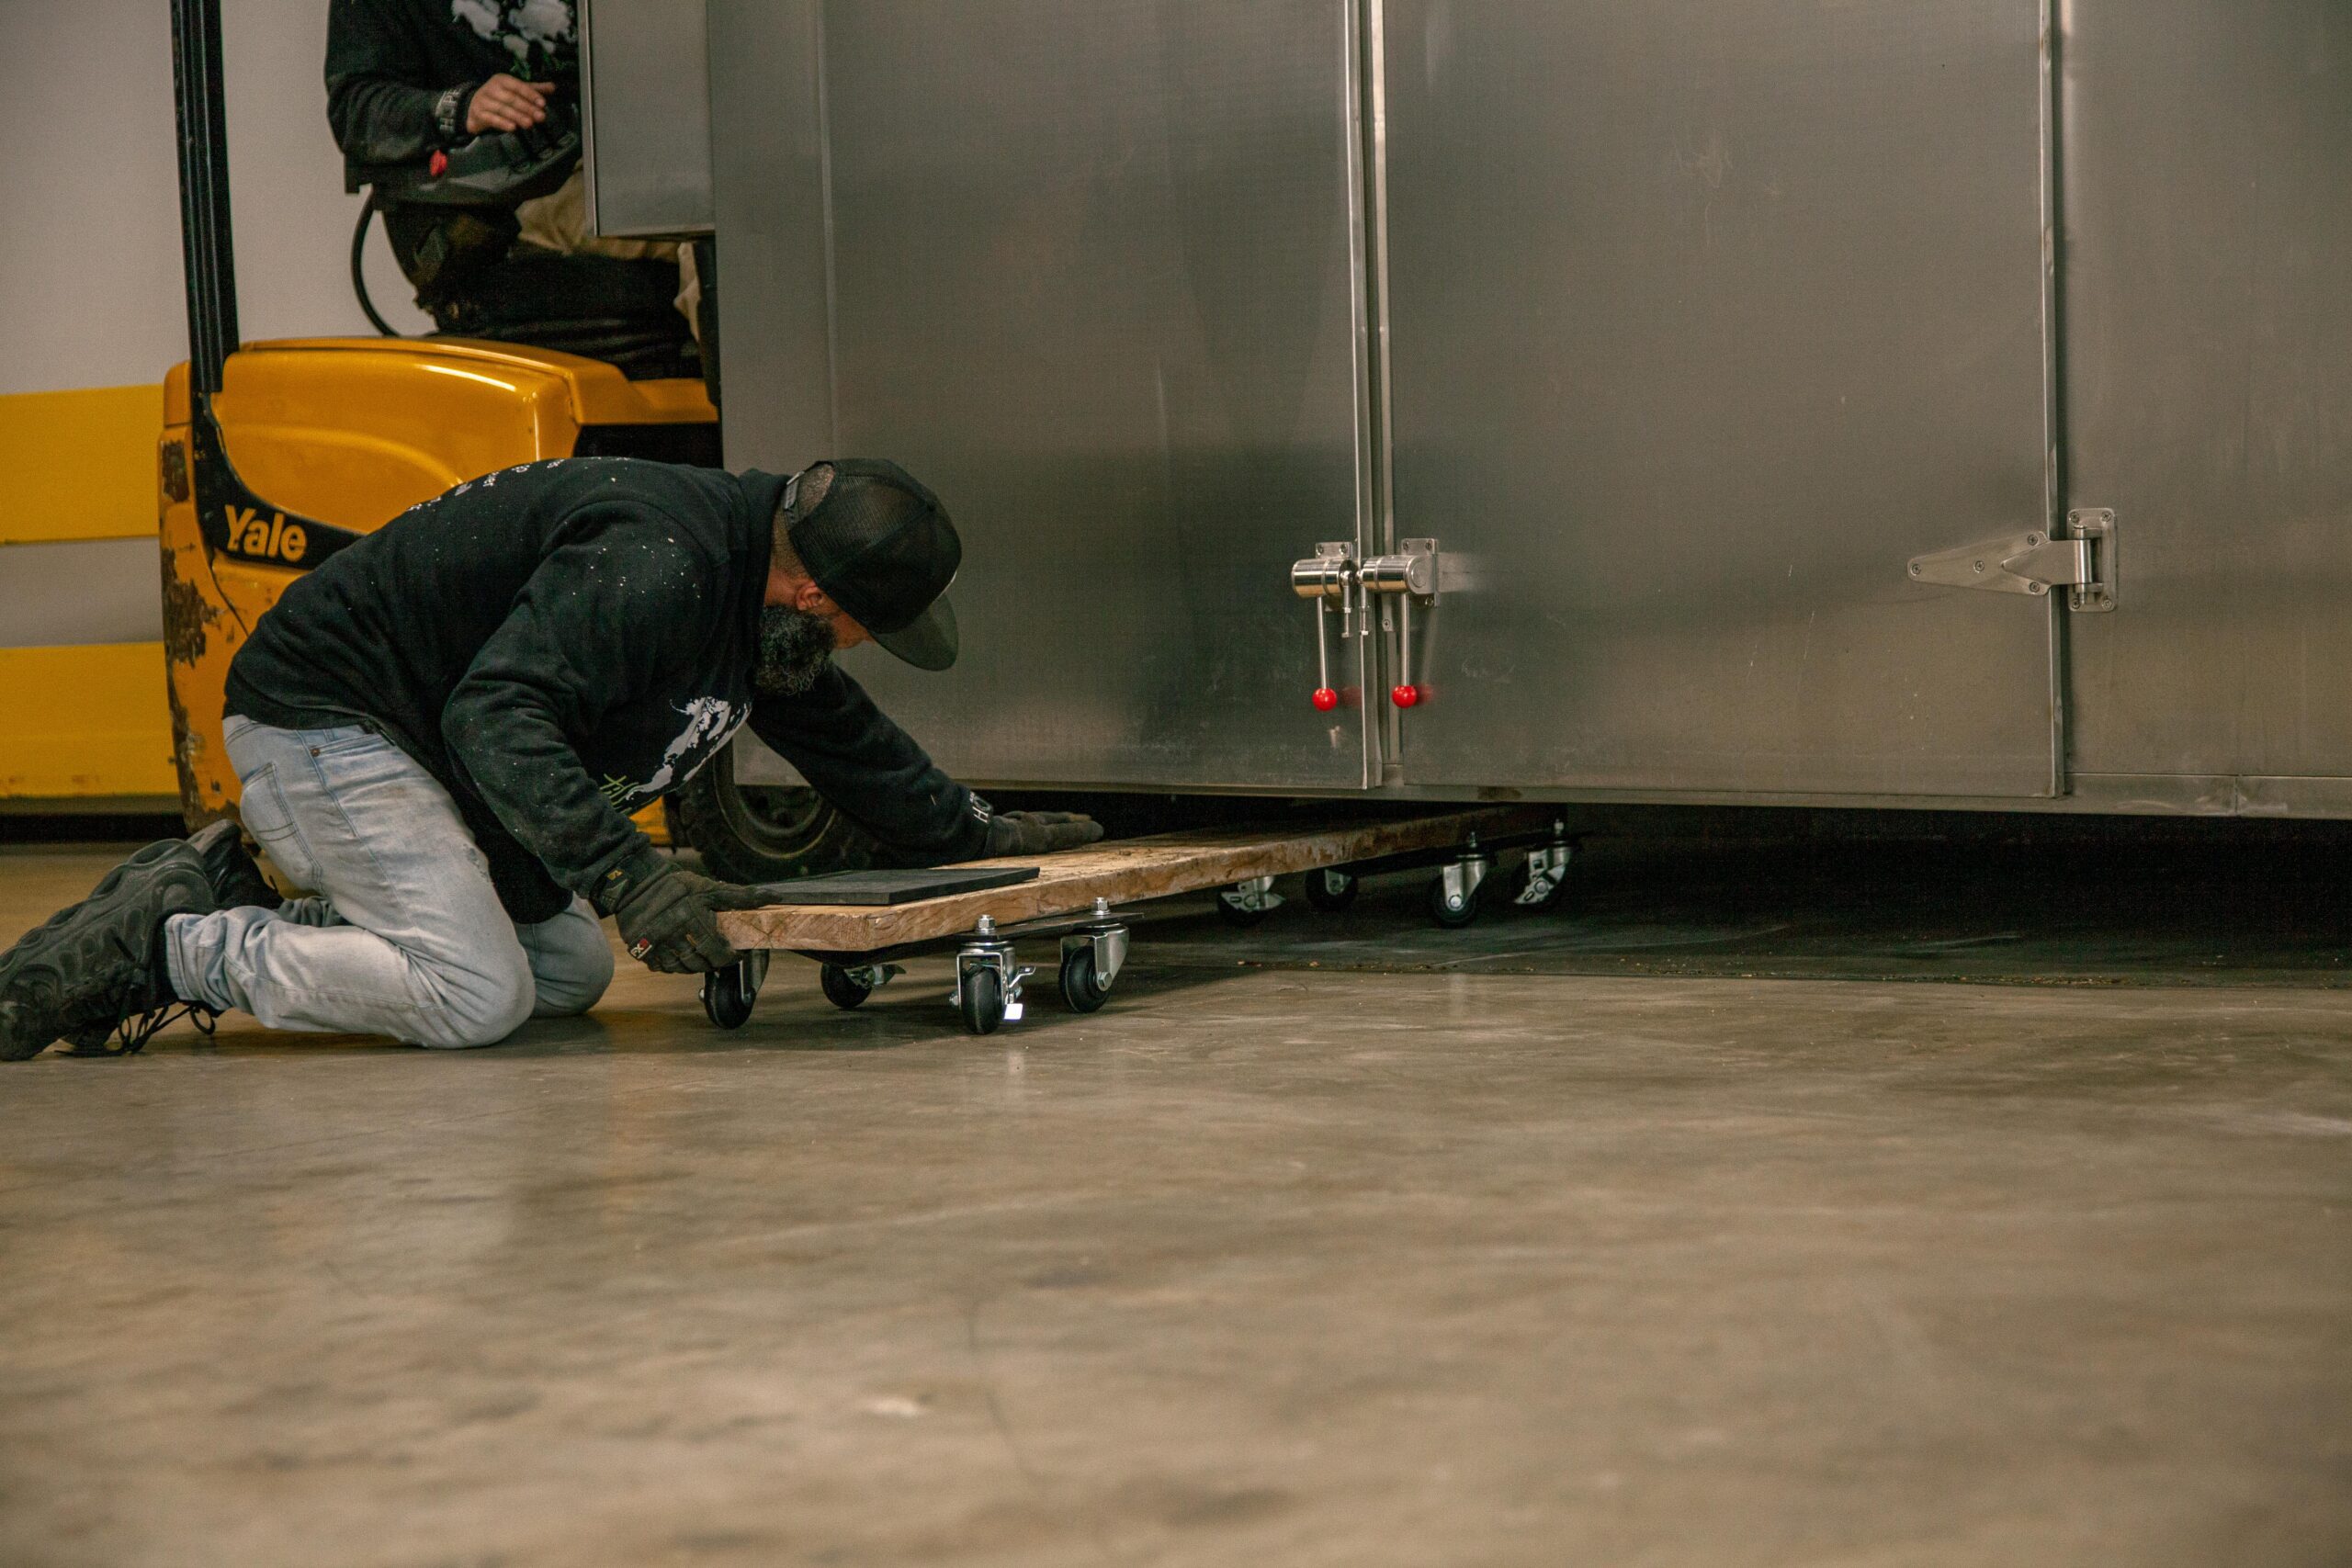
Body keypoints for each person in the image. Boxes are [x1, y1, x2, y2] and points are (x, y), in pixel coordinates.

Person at [0, 458, 1100, 1058]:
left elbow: (832, 728)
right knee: (474, 996)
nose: (860, 647)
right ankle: (181, 947)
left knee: (566, 978)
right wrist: (629, 874)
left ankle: (247, 883)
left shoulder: (754, 587)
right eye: (868, 626)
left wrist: (970, 831)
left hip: (429, 755)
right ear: (817, 593)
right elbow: (496, 716)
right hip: (333, 720)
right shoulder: (657, 568)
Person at [326, 0, 699, 372]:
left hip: (638, 159)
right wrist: (462, 107)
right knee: (712, 229)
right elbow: (356, 110)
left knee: (736, 199)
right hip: (518, 188)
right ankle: (743, 415)